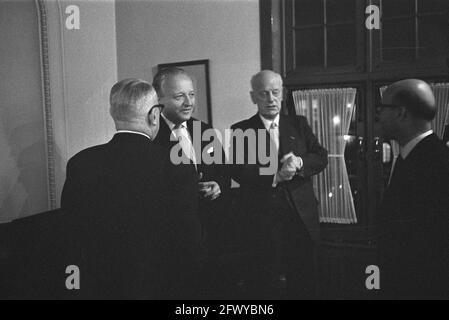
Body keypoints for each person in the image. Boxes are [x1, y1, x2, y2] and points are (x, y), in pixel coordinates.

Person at [61, 78, 201, 299]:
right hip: (159, 286)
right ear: (153, 115)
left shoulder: (81, 163)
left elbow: (70, 235)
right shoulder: (176, 164)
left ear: (114, 114)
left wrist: (73, 288)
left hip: (98, 286)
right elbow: (188, 241)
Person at [230, 70, 328, 299]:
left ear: (282, 94)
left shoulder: (298, 124)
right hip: (261, 219)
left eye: (275, 93)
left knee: (304, 278)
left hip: (301, 217)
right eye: (264, 94)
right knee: (263, 280)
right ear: (253, 97)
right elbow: (239, 170)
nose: (271, 99)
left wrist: (301, 161)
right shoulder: (241, 130)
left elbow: (321, 156)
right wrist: (276, 176)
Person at [152, 67, 230, 297]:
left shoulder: (204, 130)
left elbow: (223, 172)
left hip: (209, 236)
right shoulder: (151, 136)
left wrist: (219, 186)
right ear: (159, 99)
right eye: (179, 96)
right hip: (171, 242)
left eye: (192, 94)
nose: (189, 102)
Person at [377, 78, 449, 299]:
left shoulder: (438, 164)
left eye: (382, 109)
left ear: (401, 113)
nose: (378, 116)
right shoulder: (409, 156)